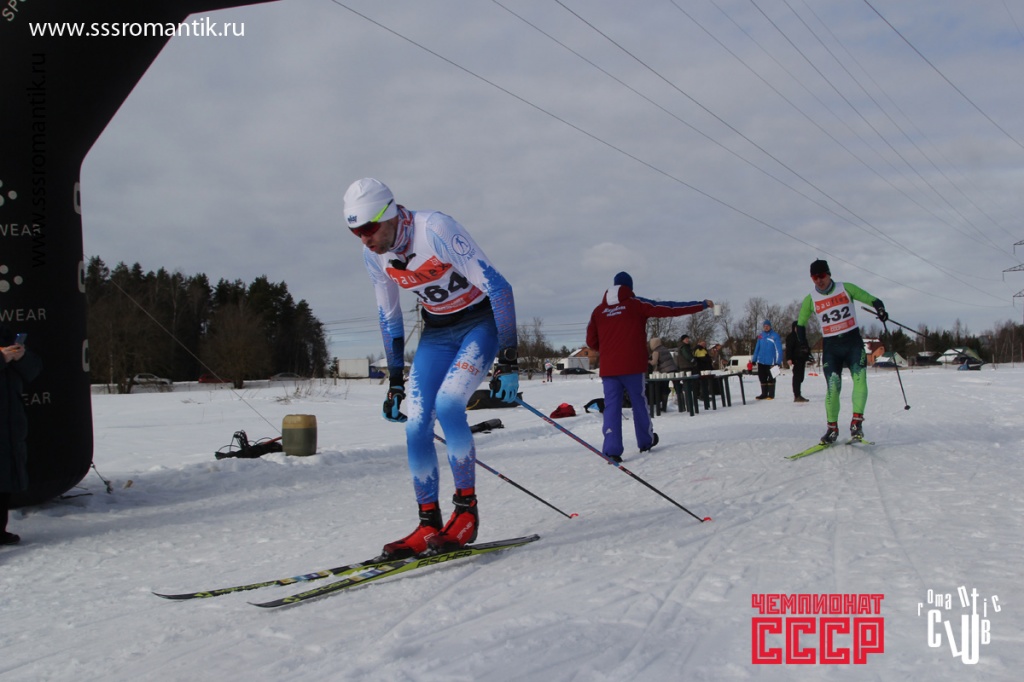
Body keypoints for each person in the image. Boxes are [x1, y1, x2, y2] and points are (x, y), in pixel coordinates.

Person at [344, 178, 519, 558]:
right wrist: (394, 382)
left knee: (449, 404)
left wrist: (508, 360)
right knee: (416, 424)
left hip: (478, 324)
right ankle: (428, 523)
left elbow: (499, 288)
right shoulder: (374, 256)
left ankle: (466, 513)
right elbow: (389, 317)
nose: (364, 239)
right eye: (355, 232)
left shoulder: (435, 229)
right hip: (437, 333)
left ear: (389, 214)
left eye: (369, 228)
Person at [586, 272, 712, 462]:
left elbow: (591, 341)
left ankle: (612, 449)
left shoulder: (598, 311)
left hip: (609, 368)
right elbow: (669, 308)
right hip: (633, 366)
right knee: (639, 402)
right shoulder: (636, 304)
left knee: (611, 406)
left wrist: (608, 350)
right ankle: (645, 440)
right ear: (630, 288)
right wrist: (700, 305)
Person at [796, 259, 887, 444]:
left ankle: (856, 423)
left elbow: (873, 299)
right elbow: (800, 324)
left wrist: (880, 310)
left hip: (852, 343)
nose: (819, 280)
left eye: (822, 275)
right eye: (814, 277)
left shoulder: (846, 288)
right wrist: (803, 344)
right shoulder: (810, 299)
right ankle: (832, 429)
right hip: (831, 347)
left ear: (829, 274)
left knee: (860, 379)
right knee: (833, 386)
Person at [1, 327, 42, 545]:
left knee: (4, 479)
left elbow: (34, 370)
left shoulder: (5, 335)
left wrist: (21, 356)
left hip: (9, 422)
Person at [751, 320, 783, 400]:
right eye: (764, 326)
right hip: (761, 361)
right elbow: (757, 348)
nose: (766, 327)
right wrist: (754, 359)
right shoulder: (761, 336)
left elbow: (779, 349)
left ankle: (771, 394)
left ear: (770, 326)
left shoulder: (775, 336)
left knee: (771, 378)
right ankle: (764, 394)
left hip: (771, 362)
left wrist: (778, 361)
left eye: (767, 326)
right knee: (762, 377)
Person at [648, 337, 679, 412]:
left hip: (665, 371)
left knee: (664, 388)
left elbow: (654, 362)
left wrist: (648, 361)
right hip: (673, 369)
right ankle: (682, 405)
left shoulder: (656, 351)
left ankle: (664, 407)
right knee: (677, 387)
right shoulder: (665, 349)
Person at [785, 321, 810, 402]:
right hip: (796, 359)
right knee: (797, 377)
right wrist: (789, 358)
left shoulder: (802, 337)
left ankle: (798, 394)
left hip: (802, 359)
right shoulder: (791, 337)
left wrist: (808, 355)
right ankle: (797, 395)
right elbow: (789, 348)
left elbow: (807, 347)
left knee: (801, 378)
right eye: (796, 327)